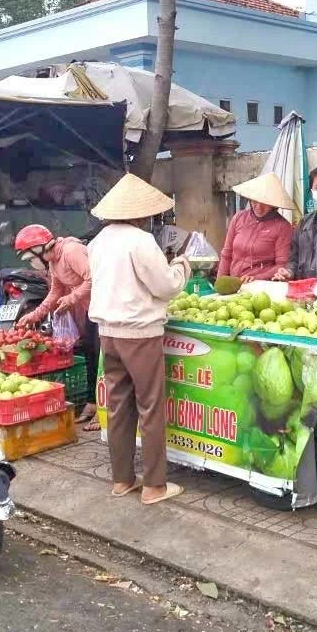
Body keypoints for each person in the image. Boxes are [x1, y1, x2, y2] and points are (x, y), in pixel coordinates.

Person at [88, 173, 191, 506]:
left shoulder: (98, 241)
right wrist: (182, 266)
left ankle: (122, 480)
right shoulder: (140, 241)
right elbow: (165, 286)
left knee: (118, 406)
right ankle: (154, 485)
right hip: (140, 334)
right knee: (150, 406)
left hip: (109, 333)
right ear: (138, 213)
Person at [12, 224, 101, 431]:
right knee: (89, 353)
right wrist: (34, 315)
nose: (32, 262)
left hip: (104, 308)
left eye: (30, 257)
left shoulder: (71, 251)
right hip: (89, 310)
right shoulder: (53, 262)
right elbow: (55, 291)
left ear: (40, 249)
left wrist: (73, 297)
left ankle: (104, 411)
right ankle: (91, 402)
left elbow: (93, 278)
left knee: (100, 358)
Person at [218, 172, 295, 282]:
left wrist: (255, 278)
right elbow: (226, 254)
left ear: (274, 205)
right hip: (233, 283)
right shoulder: (238, 218)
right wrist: (220, 282)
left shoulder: (283, 227)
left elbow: (281, 265)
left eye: (264, 202)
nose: (258, 206)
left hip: (261, 286)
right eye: (255, 200)